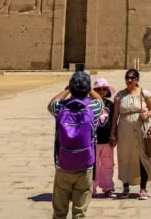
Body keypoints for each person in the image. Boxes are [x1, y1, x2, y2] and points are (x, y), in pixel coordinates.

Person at [48, 71, 108, 218]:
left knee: (60, 212)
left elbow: (51, 103)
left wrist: (67, 89)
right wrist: (90, 90)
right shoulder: (93, 108)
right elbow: (100, 100)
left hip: (63, 164)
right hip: (85, 164)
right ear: (88, 89)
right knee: (79, 212)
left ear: (72, 88)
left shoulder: (60, 107)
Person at [113, 68, 151, 200]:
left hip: (141, 130)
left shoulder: (144, 93)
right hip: (124, 131)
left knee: (142, 158)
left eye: (132, 78)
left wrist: (147, 114)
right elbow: (115, 116)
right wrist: (112, 134)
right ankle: (125, 186)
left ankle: (143, 188)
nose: (129, 80)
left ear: (137, 79)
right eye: (127, 78)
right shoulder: (119, 96)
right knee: (125, 157)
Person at [92, 78, 116, 198]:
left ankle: (108, 187)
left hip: (107, 140)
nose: (101, 91)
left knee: (108, 164)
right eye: (98, 89)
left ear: (107, 91)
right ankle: (92, 188)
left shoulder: (110, 105)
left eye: (104, 89)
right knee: (93, 165)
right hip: (93, 140)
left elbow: (113, 121)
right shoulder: (90, 104)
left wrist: (113, 136)